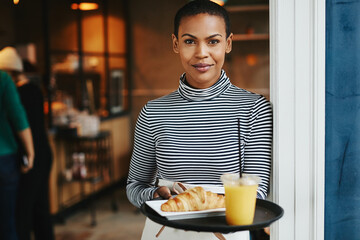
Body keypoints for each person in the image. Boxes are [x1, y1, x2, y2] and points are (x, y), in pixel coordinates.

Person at [126, 1, 272, 239]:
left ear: (228, 43)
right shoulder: (152, 112)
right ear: (176, 44)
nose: (201, 52)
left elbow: (258, 192)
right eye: (189, 41)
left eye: (213, 41)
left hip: (229, 232)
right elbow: (135, 186)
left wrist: (201, 204)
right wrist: (154, 195)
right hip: (166, 232)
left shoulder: (253, 109)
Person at [0, 46, 55, 240]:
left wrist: (28, 154)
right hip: (44, 154)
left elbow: (20, 123)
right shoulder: (35, 89)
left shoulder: (15, 92)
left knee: (21, 213)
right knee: (41, 208)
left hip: (27, 157)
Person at [0, 68, 34, 240]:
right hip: (4, 157)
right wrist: (30, 151)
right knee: (7, 224)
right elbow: (18, 115)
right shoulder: (3, 78)